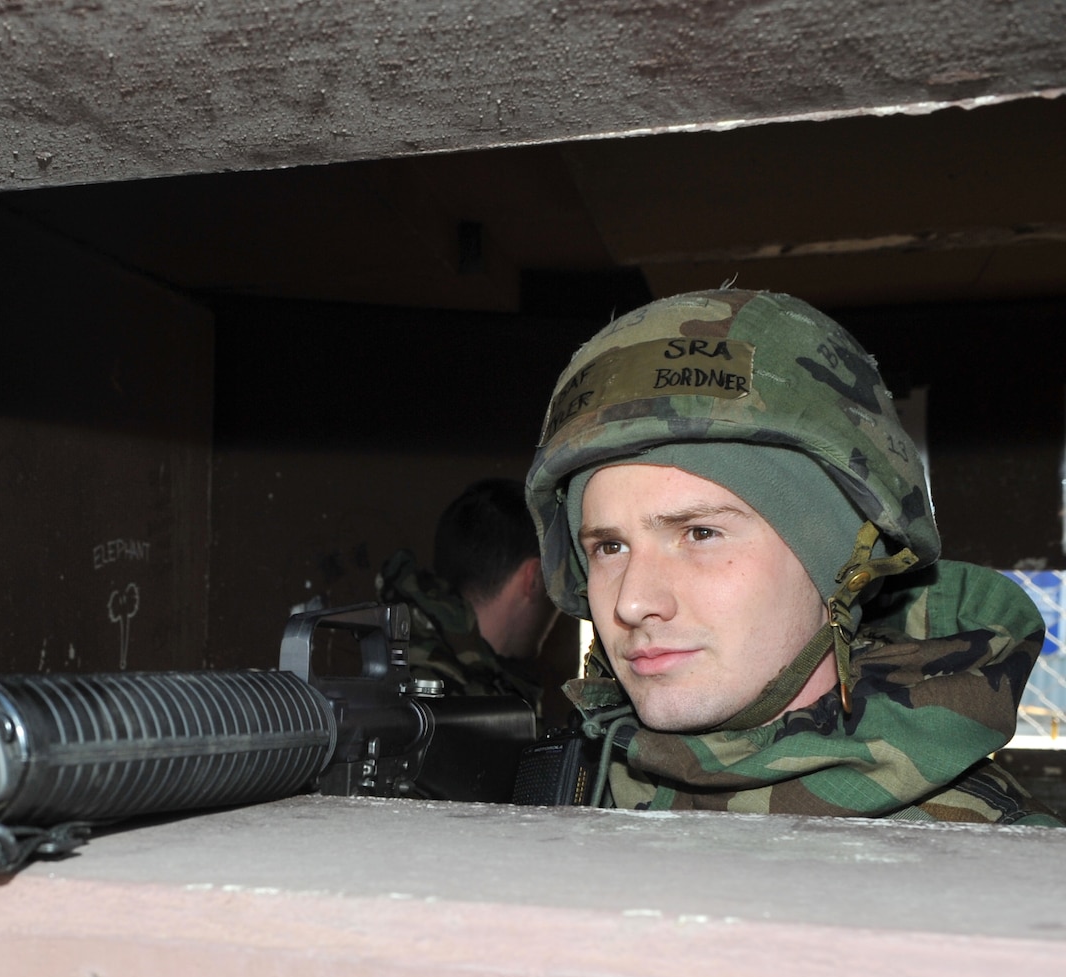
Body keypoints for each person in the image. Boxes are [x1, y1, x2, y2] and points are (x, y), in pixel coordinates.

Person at [524, 286, 1059, 823]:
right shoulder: (565, 793)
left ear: (842, 568)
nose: (632, 603)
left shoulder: (996, 852)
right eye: (610, 546)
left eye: (700, 533)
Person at [375, 479, 558, 707]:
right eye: (558, 585)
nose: (560, 605)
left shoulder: (408, 668)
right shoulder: (447, 698)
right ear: (535, 579)